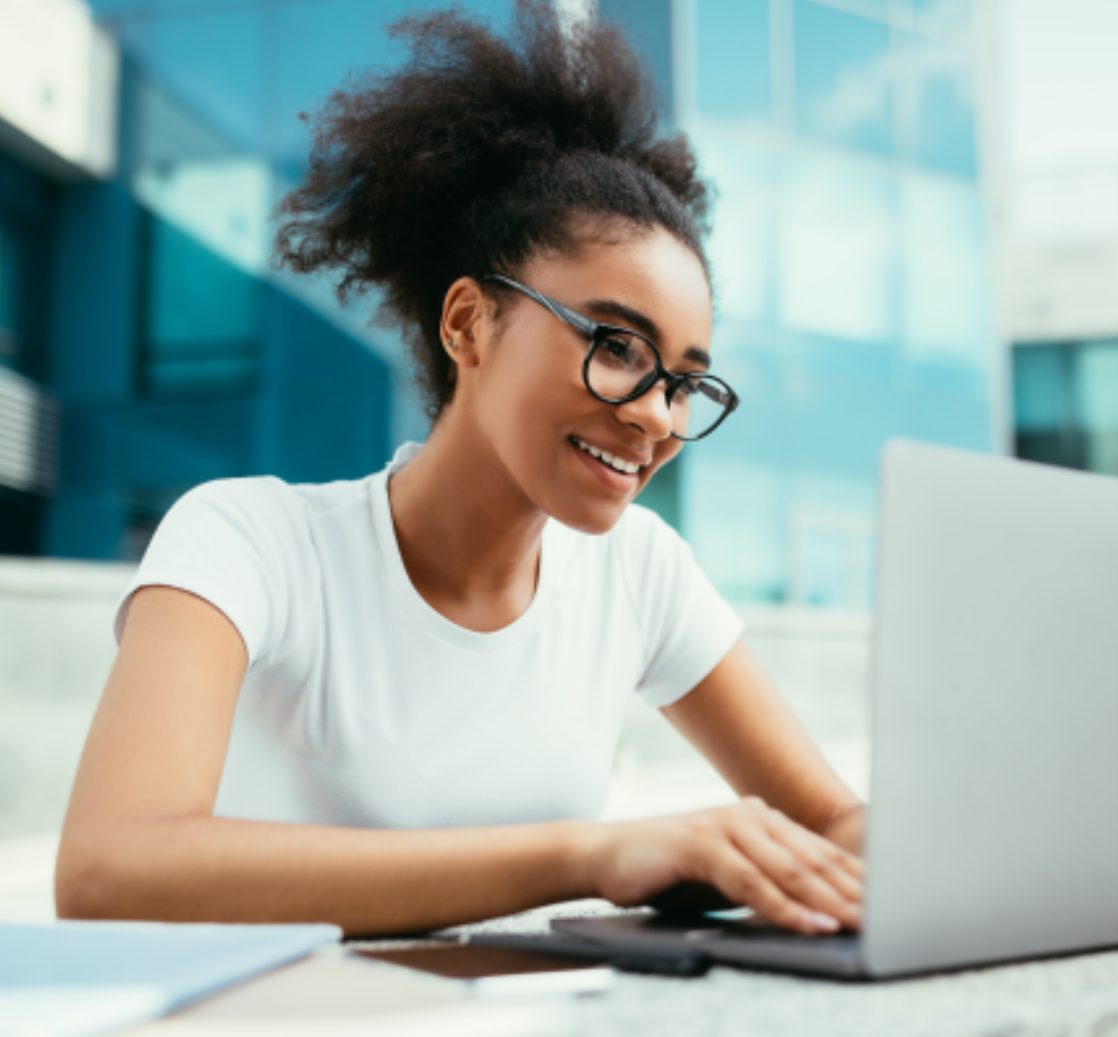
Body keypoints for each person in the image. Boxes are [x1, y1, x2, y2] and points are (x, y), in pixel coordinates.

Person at [56, 0, 864, 938]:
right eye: (616, 345)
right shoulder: (248, 542)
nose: (653, 413)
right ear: (469, 323)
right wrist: (583, 854)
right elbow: (111, 867)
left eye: (685, 383)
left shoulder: (640, 570)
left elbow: (835, 820)